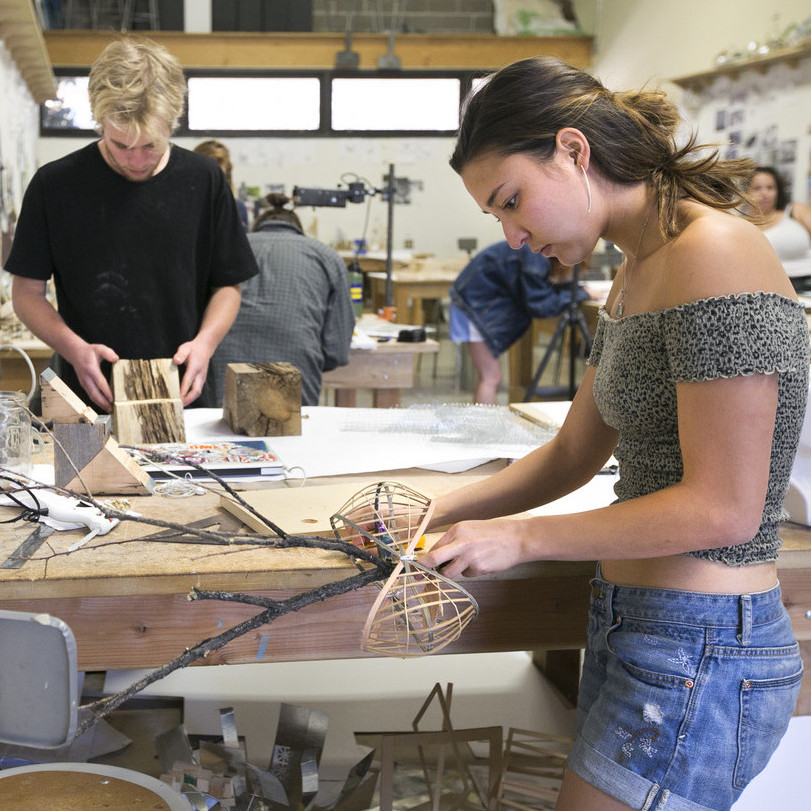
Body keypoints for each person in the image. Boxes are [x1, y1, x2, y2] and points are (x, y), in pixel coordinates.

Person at [419, 57, 809, 811]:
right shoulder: (637, 268)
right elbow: (572, 453)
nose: (513, 236)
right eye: (497, 218)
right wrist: (434, 509)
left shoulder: (715, 253)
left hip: (703, 644)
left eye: (512, 201)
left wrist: (521, 538)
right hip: (638, 624)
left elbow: (724, 509)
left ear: (573, 151)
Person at [5, 37, 258, 412]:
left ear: (172, 124)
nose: (136, 161)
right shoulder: (54, 185)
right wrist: (73, 348)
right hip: (85, 402)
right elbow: (26, 293)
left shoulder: (205, 180)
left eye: (150, 145)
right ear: (99, 122)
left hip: (183, 396)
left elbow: (228, 285)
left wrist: (205, 343)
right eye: (121, 145)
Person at [210, 192, 354, 407]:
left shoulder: (228, 249)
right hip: (293, 384)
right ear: (298, 229)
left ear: (257, 226)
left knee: (219, 428)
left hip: (219, 382)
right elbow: (337, 351)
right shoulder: (325, 256)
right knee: (289, 427)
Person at [449, 240, 590, 404]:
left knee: (490, 376)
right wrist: (579, 294)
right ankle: (483, 420)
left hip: (472, 302)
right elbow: (540, 305)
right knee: (490, 377)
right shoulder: (534, 255)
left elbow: (539, 291)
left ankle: (483, 419)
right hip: (472, 306)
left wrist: (575, 291)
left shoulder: (535, 249)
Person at [746, 166, 811, 292]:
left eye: (770, 188)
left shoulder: (794, 211)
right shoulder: (742, 224)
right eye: (757, 188)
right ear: (746, 192)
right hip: (769, 289)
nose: (764, 193)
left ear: (778, 191)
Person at [193, 139, 250, 230]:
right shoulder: (183, 207)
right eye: (208, 176)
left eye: (220, 177)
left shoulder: (237, 208)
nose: (214, 183)